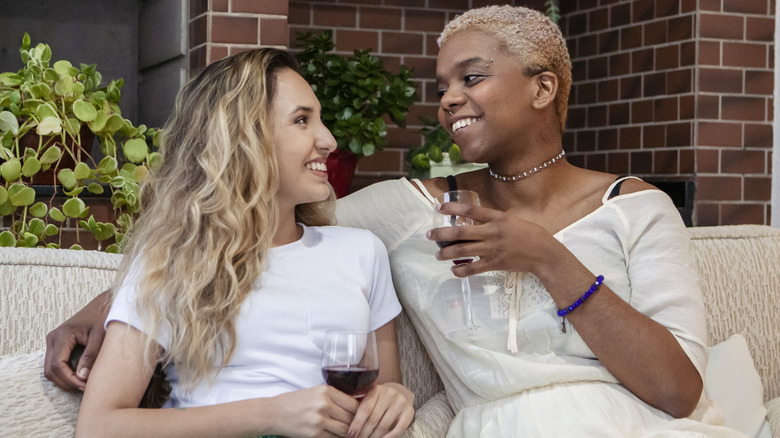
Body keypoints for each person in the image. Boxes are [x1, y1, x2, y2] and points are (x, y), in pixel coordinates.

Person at [47, 6, 745, 437]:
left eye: (470, 78)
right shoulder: (404, 211)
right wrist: (101, 308)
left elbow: (680, 391)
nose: (447, 100)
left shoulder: (639, 210)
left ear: (543, 86)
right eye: (441, 85)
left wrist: (545, 257)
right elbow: (240, 230)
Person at [72, 48, 413, 438]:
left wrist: (397, 396)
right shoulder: (169, 261)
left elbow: (384, 388)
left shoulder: (361, 252)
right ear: (244, 137)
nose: (329, 140)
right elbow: (99, 426)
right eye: (302, 120)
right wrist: (272, 414)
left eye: (321, 120)